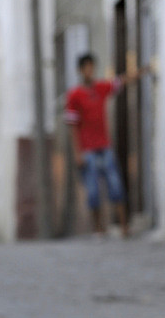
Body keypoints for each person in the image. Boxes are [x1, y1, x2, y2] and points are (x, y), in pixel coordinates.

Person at [64, 53, 149, 238]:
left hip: (105, 146)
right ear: (80, 70)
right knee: (93, 191)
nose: (89, 70)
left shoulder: (101, 88)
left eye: (91, 66)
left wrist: (141, 72)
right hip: (87, 150)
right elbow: (72, 127)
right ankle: (98, 228)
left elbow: (120, 81)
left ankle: (124, 227)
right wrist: (77, 153)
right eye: (86, 67)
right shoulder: (74, 96)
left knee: (116, 186)